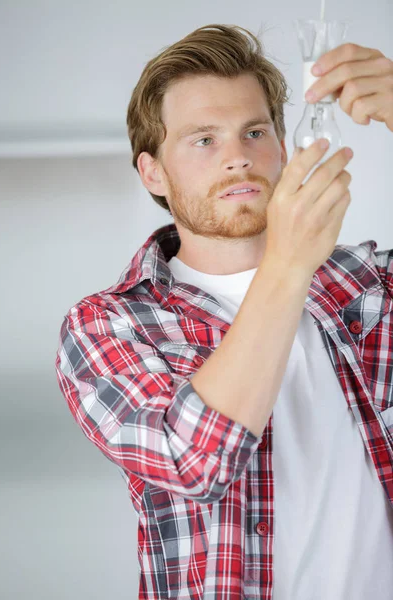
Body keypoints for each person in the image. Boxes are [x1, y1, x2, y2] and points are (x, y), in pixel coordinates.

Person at [55, 24, 393, 600]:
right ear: (153, 172)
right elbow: (195, 463)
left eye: (254, 131)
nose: (238, 157)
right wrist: (288, 263)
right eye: (203, 140)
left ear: (283, 149)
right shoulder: (107, 325)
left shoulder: (370, 285)